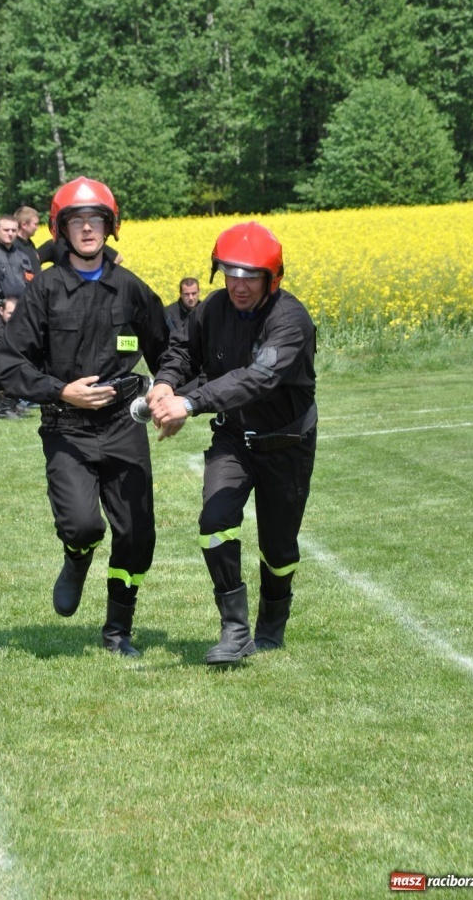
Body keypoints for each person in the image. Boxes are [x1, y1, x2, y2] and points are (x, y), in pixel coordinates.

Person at [0, 176, 170, 657]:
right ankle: (76, 558)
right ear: (62, 230)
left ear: (109, 228)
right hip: (66, 428)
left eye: (97, 221)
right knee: (82, 525)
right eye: (78, 222)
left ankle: (118, 630)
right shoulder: (45, 290)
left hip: (123, 425)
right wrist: (61, 391)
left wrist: (170, 390)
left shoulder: (131, 288)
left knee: (137, 535)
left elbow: (169, 348)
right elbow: (11, 364)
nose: (88, 229)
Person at [147, 221, 317, 665]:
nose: (238, 285)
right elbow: (183, 350)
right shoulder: (213, 308)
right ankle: (235, 630)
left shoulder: (291, 321)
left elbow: (257, 379)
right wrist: (166, 383)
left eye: (250, 275)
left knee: (279, 549)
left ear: (272, 277)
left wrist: (190, 403)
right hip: (234, 438)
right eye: (230, 273)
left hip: (287, 442)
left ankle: (271, 627)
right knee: (214, 521)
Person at [14, 206, 42, 278]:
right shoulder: (13, 246)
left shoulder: (29, 243)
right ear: (24, 225)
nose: (37, 228)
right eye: (35, 224)